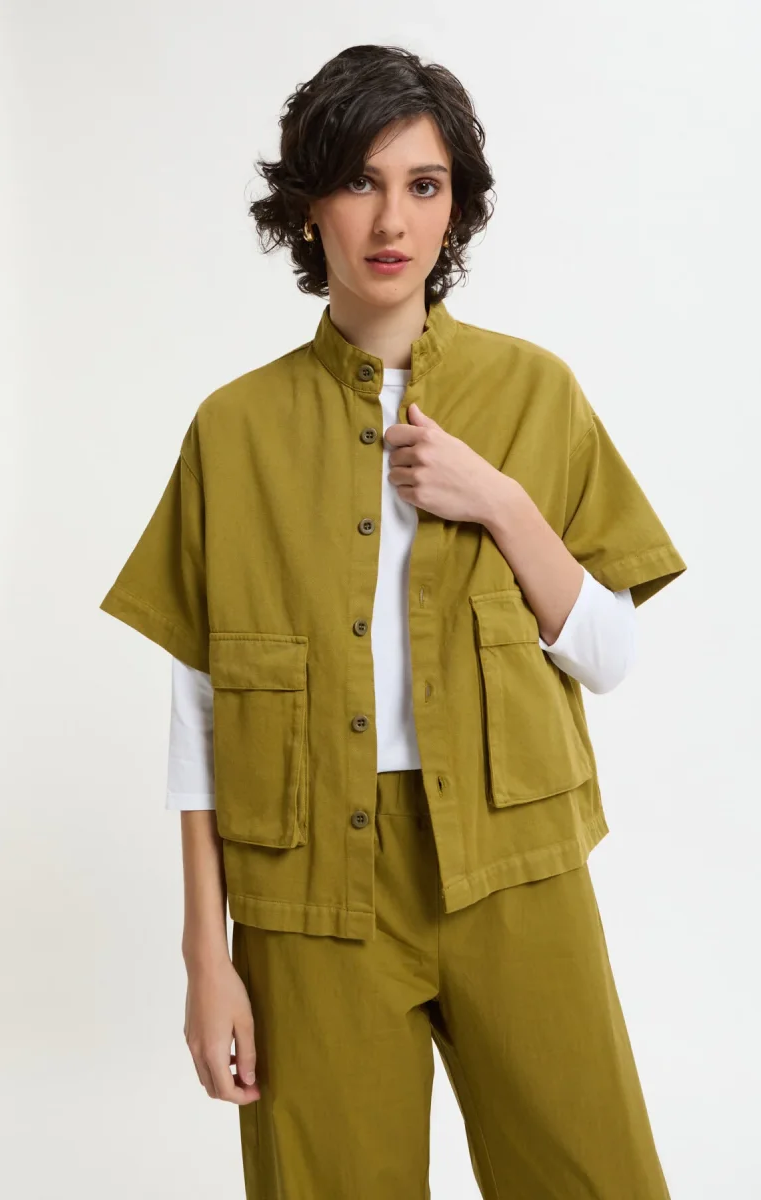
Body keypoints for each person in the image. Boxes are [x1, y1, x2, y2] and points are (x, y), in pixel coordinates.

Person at [99, 43, 686, 1200]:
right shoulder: (233, 430)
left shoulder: (535, 393)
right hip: (309, 893)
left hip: (514, 870)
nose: (389, 220)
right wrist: (205, 955)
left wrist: (501, 503)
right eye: (358, 181)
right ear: (306, 203)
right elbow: (200, 712)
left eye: (422, 184)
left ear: (454, 205)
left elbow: (610, 656)